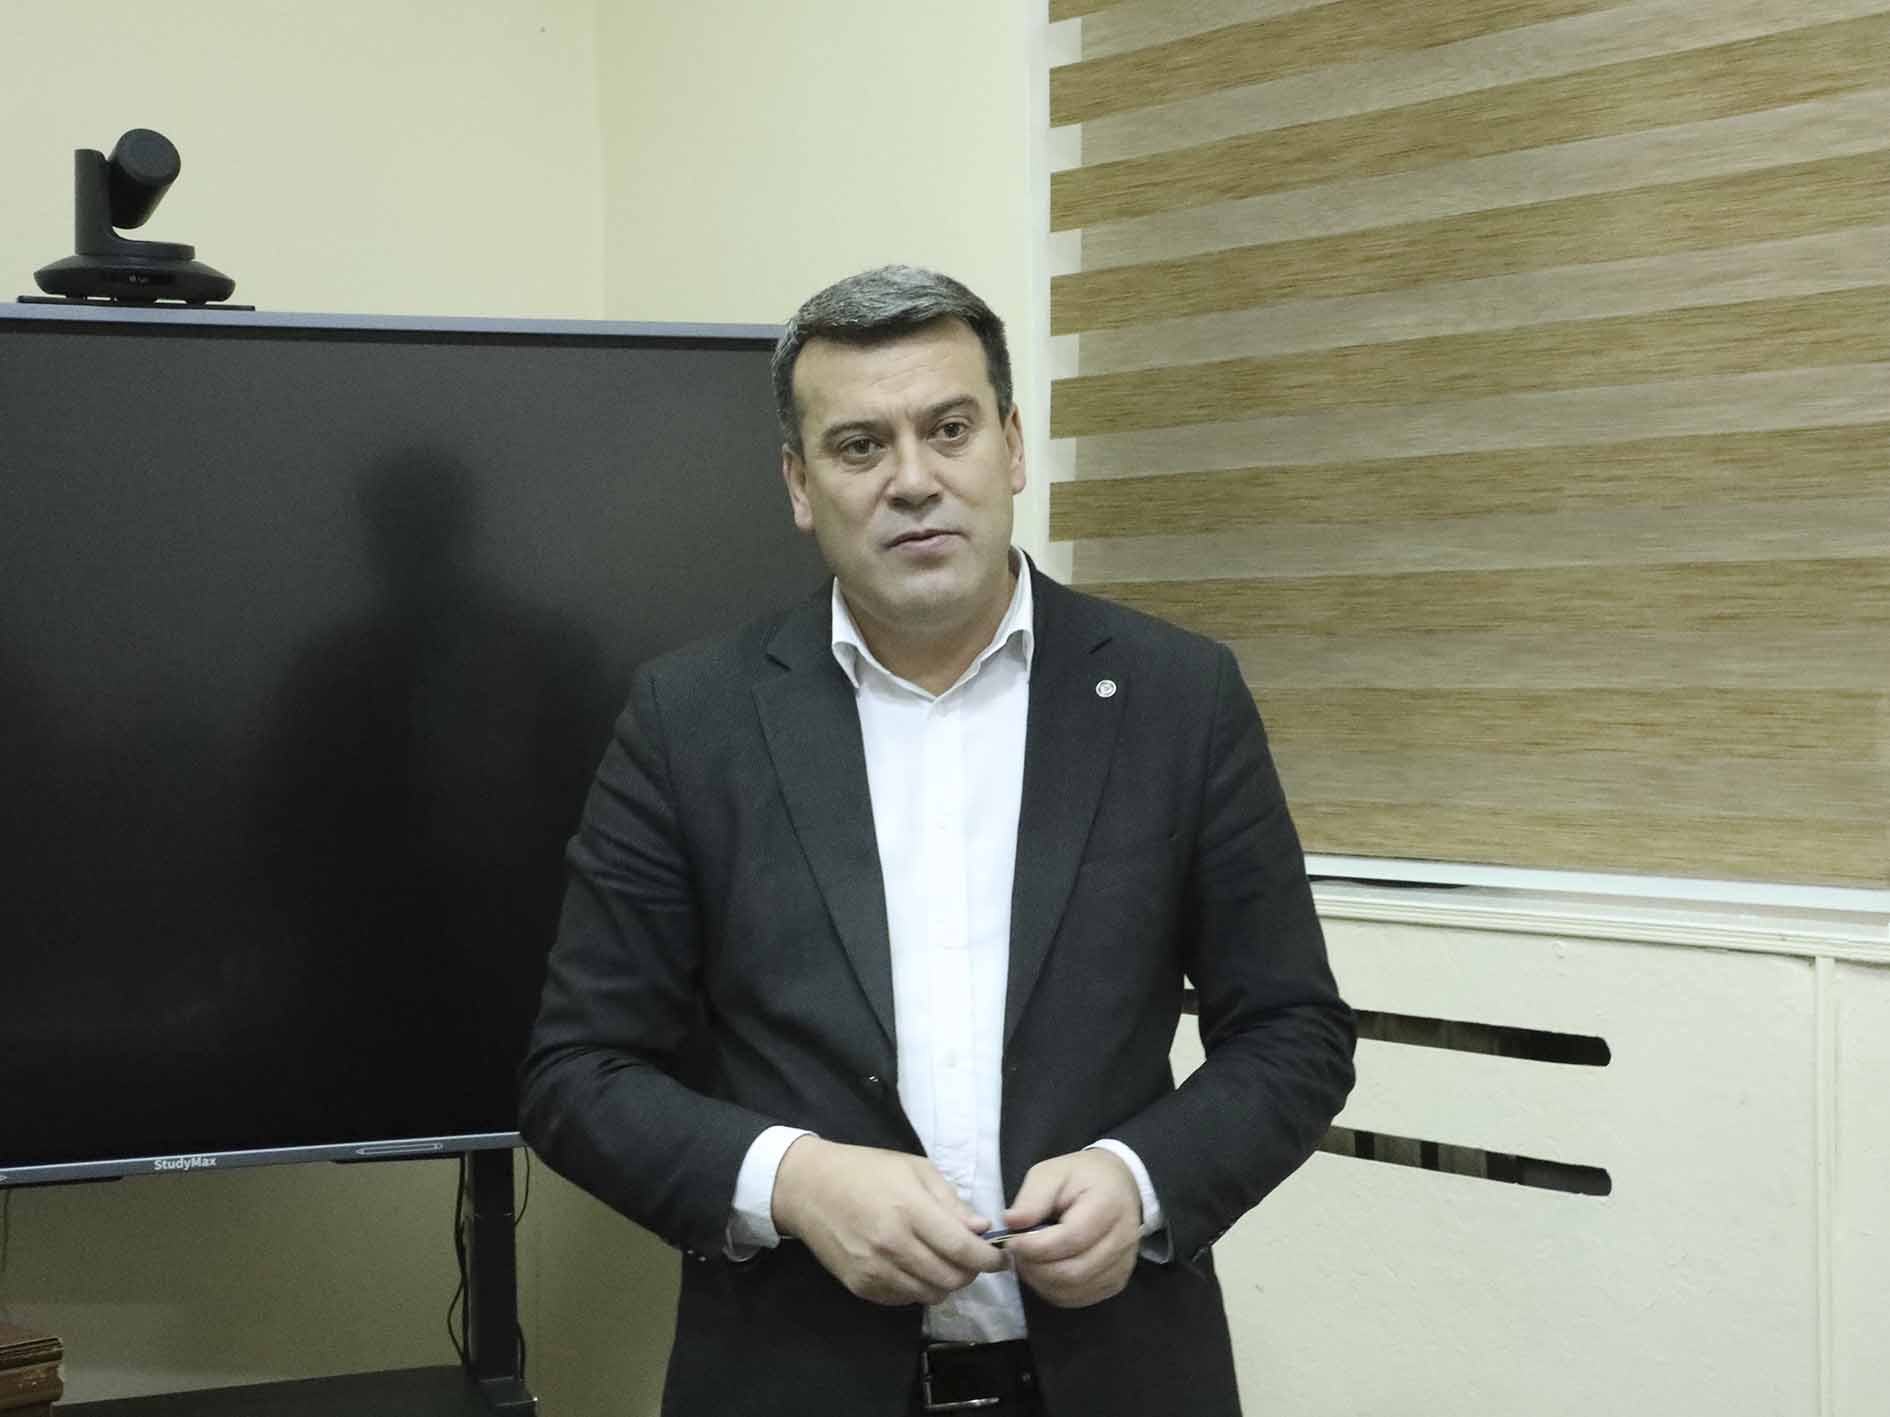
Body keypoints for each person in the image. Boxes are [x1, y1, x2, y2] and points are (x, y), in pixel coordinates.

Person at [519, 265, 1355, 1417]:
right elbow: (577, 1075)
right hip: (794, 1380)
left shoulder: (1178, 696)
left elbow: (1295, 1030)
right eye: (860, 445)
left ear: (1010, 447)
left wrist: (1141, 1177)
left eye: (949, 429)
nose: (912, 479)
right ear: (801, 484)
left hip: (1114, 1377)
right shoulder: (689, 719)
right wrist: (794, 1180)